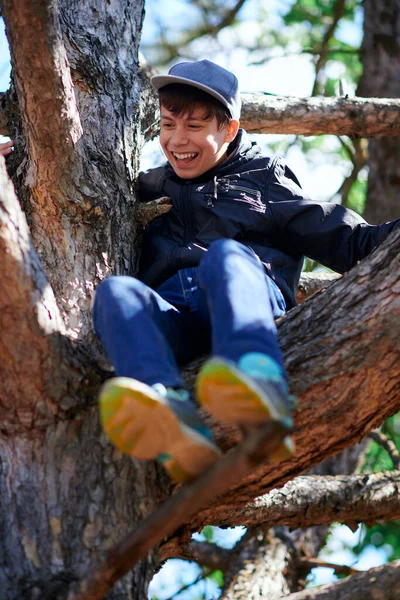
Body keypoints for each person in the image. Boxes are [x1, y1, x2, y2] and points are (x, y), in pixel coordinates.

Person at [93, 60, 400, 484]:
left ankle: (256, 378)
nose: (177, 141)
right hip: (177, 321)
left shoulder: (263, 178)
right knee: (116, 293)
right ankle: (173, 414)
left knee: (226, 257)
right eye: (167, 125)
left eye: (195, 127)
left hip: (244, 305)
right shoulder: (148, 186)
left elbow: (351, 241)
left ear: (230, 129)